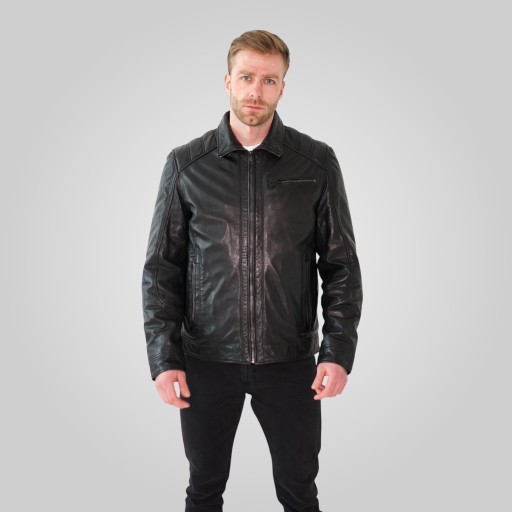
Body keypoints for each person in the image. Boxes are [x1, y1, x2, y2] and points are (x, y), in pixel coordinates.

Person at [142, 29, 363, 512]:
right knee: (203, 490)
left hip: (290, 362)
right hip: (206, 360)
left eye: (269, 80)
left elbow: (341, 265)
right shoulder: (186, 165)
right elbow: (161, 269)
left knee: (300, 492)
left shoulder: (316, 163)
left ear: (283, 87)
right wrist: (164, 357)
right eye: (246, 77)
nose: (255, 91)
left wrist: (337, 351)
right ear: (227, 81)